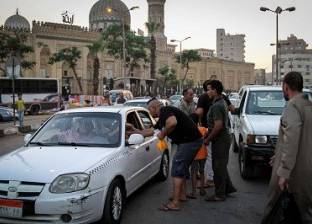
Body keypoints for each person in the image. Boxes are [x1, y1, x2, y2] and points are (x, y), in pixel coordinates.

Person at [262, 72, 312, 223]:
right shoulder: (308, 106)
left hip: (294, 172)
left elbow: (292, 139)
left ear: (286, 87)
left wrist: (284, 172)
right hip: (306, 169)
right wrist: (278, 154)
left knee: (277, 211)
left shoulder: (292, 107)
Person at [147, 98, 202, 211]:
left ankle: (175, 203)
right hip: (190, 141)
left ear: (154, 107)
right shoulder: (162, 117)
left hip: (189, 141)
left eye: (149, 109)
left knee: (177, 169)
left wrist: (163, 133)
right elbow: (151, 131)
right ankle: (181, 195)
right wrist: (134, 131)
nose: (149, 112)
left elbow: (172, 123)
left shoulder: (165, 110)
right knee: (182, 168)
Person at [204, 80, 236, 202]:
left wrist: (208, 139)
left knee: (218, 167)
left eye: (209, 89)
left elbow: (218, 125)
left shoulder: (217, 105)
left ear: (215, 90)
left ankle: (219, 194)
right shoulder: (220, 101)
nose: (208, 92)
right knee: (221, 165)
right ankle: (228, 188)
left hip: (220, 140)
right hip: (222, 138)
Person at [187, 113, 208, 199]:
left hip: (194, 154)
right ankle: (202, 189)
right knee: (202, 171)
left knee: (193, 172)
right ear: (198, 121)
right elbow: (208, 132)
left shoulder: (189, 130)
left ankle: (194, 192)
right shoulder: (203, 129)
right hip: (203, 154)